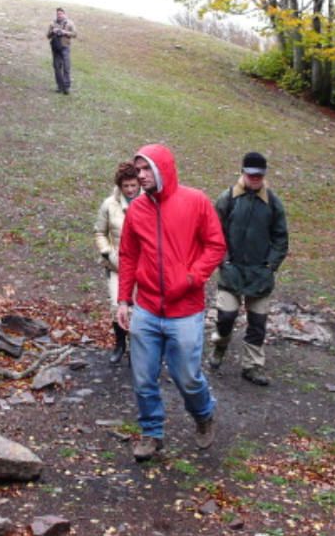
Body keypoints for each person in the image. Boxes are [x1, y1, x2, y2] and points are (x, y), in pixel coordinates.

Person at [115, 143, 227, 461]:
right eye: (138, 169)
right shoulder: (137, 209)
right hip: (147, 308)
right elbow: (128, 255)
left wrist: (192, 278)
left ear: (164, 169)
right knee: (143, 376)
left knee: (187, 377)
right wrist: (124, 300)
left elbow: (215, 245)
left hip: (185, 310)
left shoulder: (195, 202)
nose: (141, 175)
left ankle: (204, 414)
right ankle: (151, 432)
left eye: (147, 168)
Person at [209, 151, 289, 387]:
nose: (255, 178)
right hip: (231, 271)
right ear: (242, 172)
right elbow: (214, 232)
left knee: (257, 323)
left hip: (260, 275)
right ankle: (219, 346)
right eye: (251, 174)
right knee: (225, 317)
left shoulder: (273, 203)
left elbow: (281, 238)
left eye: (259, 175)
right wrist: (223, 261)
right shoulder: (227, 199)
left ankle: (252, 366)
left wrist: (270, 265)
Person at [94, 161, 142, 364]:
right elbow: (99, 232)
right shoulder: (109, 205)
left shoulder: (149, 201)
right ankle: (120, 344)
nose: (130, 190)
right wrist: (106, 252)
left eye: (134, 185)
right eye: (126, 186)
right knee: (117, 306)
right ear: (119, 186)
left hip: (142, 266)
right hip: (117, 266)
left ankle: (136, 350)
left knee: (139, 309)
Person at [46, 6, 77, 94]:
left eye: (61, 13)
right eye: (58, 14)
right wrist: (53, 32)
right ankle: (59, 86)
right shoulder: (52, 23)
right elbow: (47, 36)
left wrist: (64, 32)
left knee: (66, 67)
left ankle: (66, 87)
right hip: (55, 48)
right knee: (57, 67)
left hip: (65, 47)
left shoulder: (70, 23)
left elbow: (75, 34)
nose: (59, 15)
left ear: (64, 14)